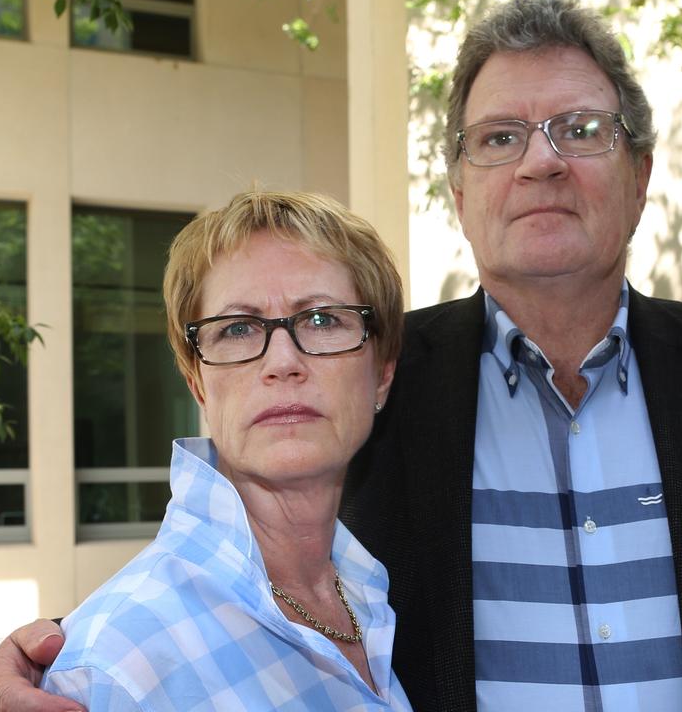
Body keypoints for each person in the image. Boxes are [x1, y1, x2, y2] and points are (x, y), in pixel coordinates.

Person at [0, 0, 682, 711]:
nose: (541, 163)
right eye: (500, 138)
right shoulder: (377, 376)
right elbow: (257, 556)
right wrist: (71, 653)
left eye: (580, 130)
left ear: (641, 174)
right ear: (457, 190)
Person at [35, 190, 411, 710]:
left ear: (383, 375)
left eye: (323, 319)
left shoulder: (375, 594)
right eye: (238, 328)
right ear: (198, 385)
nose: (282, 361)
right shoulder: (116, 665)